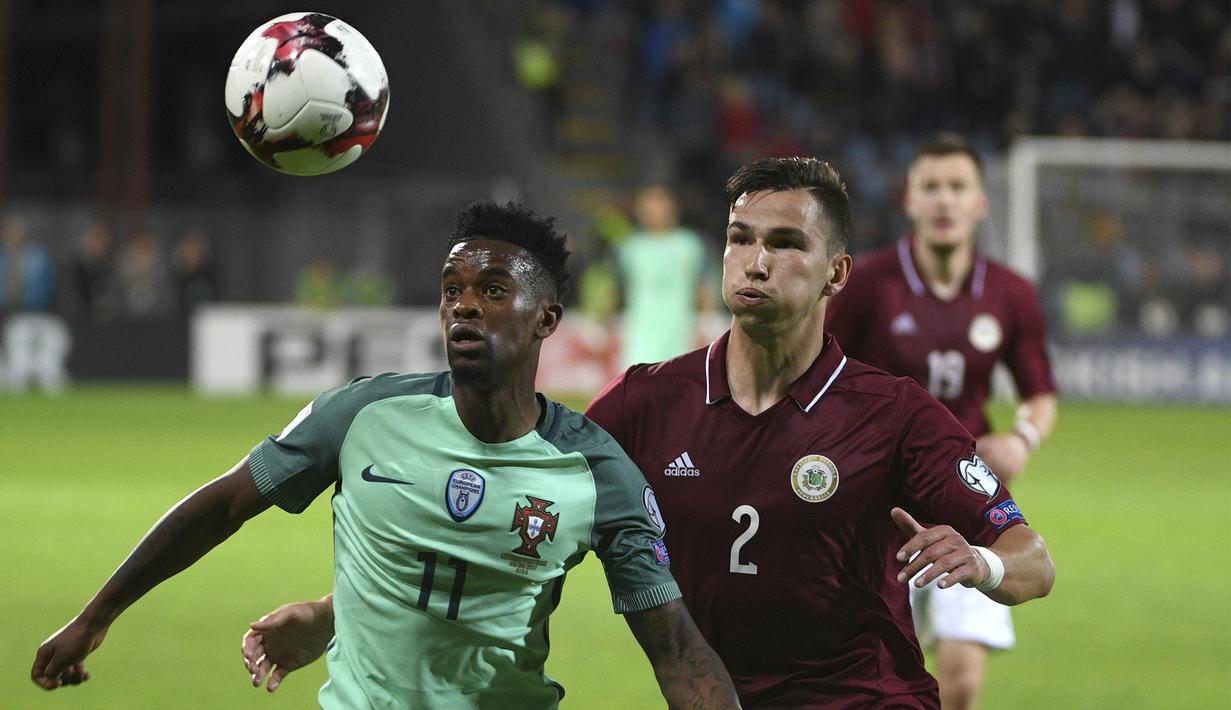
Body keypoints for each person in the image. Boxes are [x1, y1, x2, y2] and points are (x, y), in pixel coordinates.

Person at [240, 159, 1055, 708]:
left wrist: (979, 560)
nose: (755, 261)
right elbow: (507, 532)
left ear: (835, 273)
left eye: (784, 243)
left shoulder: (894, 414)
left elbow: (1032, 562)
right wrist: (335, 612)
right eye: (740, 239)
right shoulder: (645, 405)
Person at [31, 201, 742, 710]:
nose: (463, 307)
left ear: (547, 319)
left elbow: (676, 649)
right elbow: (222, 504)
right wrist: (96, 616)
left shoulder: (595, 471)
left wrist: (326, 614)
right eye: (451, 290)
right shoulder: (362, 415)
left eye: (493, 291)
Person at [826, 134, 1059, 710]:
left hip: (964, 493)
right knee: (860, 676)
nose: (944, 200)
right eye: (931, 187)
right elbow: (819, 375)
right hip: (871, 501)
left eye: (958, 187)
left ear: (981, 202)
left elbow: (1041, 394)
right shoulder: (866, 285)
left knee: (959, 683)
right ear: (909, 199)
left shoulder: (1011, 293)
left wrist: (1022, 439)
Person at [615, 184, 711, 367]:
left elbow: (704, 286)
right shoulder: (630, 248)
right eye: (646, 208)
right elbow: (618, 289)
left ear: (672, 208)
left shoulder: (690, 245)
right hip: (640, 333)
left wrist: (707, 321)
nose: (653, 212)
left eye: (658, 205)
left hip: (680, 331)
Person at [0, 216, 71, 393]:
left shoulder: (38, 255)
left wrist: (41, 302)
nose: (12, 236)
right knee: (18, 348)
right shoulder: (4, 256)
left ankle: (47, 376)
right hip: (11, 312)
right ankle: (16, 377)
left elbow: (49, 284)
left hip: (38, 311)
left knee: (48, 343)